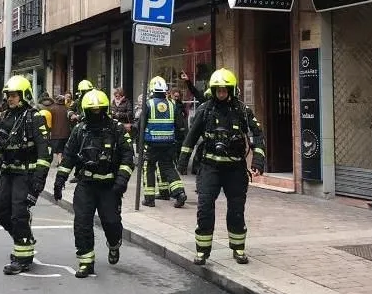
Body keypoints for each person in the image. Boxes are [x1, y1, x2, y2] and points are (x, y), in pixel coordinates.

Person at [177, 68, 266, 266]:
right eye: (218, 90)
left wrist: (258, 162)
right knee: (205, 208)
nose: (221, 94)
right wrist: (182, 161)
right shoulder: (205, 110)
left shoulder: (242, 111)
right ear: (213, 90)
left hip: (235, 169)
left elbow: (257, 136)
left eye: (225, 90)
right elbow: (191, 136)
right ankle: (202, 251)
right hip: (210, 167)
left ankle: (238, 248)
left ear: (231, 91)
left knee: (236, 209)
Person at [54, 89, 134, 278]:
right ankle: (86, 261)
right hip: (86, 185)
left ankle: (114, 244)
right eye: (92, 110)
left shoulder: (116, 129)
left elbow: (128, 156)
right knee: (82, 223)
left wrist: (121, 181)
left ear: (104, 109)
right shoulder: (80, 130)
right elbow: (69, 157)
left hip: (109, 187)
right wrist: (59, 181)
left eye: (99, 110)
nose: (95, 113)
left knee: (112, 224)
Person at [0, 75, 53, 275]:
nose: (10, 99)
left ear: (24, 95)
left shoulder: (35, 117)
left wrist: (38, 181)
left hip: (26, 174)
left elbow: (44, 152)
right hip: (7, 172)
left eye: (14, 95)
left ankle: (22, 257)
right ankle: (24, 238)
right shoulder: (6, 117)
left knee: (18, 214)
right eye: (8, 95)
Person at [140, 76, 188, 208]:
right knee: (168, 167)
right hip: (168, 143)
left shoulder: (148, 104)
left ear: (152, 89)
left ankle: (149, 199)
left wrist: (140, 140)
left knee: (148, 168)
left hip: (152, 143)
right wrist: (175, 141)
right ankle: (179, 193)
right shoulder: (172, 104)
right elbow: (179, 125)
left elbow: (141, 125)